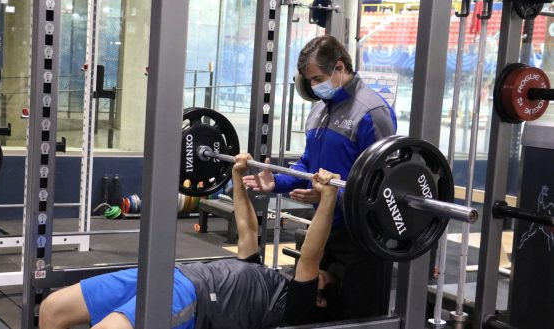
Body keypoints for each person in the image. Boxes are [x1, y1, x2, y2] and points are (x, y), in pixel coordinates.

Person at [39, 153, 343, 329]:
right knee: (52, 309)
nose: (312, 274)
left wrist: (328, 196)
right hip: (173, 275)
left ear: (319, 299)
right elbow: (247, 228)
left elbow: (310, 256)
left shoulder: (295, 307)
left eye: (320, 278)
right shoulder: (264, 276)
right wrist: (237, 176)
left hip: (194, 300)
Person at [243, 35, 397, 319]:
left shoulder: (372, 112)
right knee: (321, 312)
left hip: (362, 238)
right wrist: (277, 181)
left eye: (318, 78)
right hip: (325, 231)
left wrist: (330, 197)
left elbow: (383, 187)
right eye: (309, 81)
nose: (314, 87)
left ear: (339, 67)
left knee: (358, 319)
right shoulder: (318, 111)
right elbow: (308, 164)